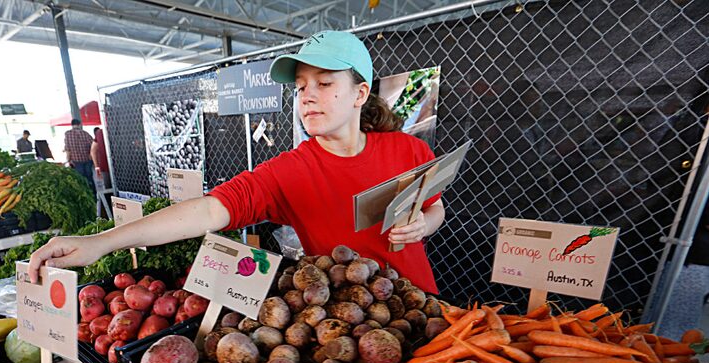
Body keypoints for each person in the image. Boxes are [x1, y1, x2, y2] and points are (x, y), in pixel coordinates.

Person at [30, 31, 446, 294]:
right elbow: (209, 210)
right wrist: (102, 242)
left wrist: (424, 224)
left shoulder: (407, 150)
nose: (307, 96)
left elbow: (434, 206)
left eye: (324, 83)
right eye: (301, 87)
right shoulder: (290, 171)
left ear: (359, 94)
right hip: (350, 326)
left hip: (422, 305)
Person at [64, 119, 95, 191]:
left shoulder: (68, 134)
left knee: (81, 179)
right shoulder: (85, 133)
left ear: (71, 125)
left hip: (76, 161)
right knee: (89, 178)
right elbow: (93, 146)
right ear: (79, 124)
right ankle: (94, 194)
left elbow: (68, 149)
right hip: (87, 160)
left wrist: (68, 160)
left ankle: (85, 195)